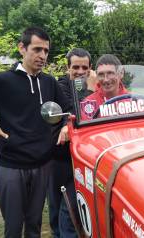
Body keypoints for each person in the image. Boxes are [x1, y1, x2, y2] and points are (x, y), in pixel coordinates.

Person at [0, 27, 70, 238]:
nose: (42, 56)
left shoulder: (49, 82)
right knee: (13, 228)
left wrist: (65, 125)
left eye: (46, 51)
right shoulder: (3, 81)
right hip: (11, 165)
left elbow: (66, 110)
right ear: (22, 48)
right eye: (37, 49)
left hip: (43, 164)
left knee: (35, 225)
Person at [48, 48, 95, 238]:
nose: (80, 71)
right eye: (75, 67)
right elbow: (75, 111)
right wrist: (90, 90)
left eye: (85, 67)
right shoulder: (59, 86)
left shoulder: (95, 83)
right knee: (57, 201)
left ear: (90, 68)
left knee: (76, 203)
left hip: (84, 156)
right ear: (68, 68)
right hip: (59, 155)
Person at [80, 54, 128, 120]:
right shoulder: (89, 103)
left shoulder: (134, 100)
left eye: (110, 73)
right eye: (101, 74)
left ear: (121, 73)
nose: (106, 80)